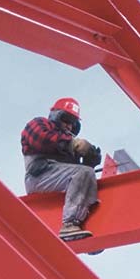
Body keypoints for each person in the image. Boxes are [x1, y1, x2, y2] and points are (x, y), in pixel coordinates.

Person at [21, 97, 102, 243]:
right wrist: (73, 144)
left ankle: (87, 228)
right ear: (55, 116)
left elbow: (79, 183)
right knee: (82, 173)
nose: (69, 126)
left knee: (86, 174)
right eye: (66, 120)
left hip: (58, 182)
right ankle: (70, 223)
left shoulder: (68, 146)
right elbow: (43, 138)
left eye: (73, 123)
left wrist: (90, 162)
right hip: (39, 177)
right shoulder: (39, 124)